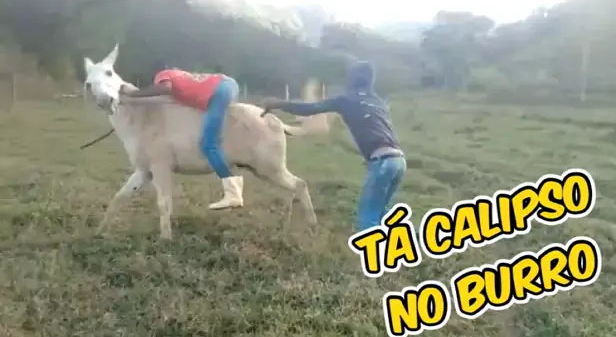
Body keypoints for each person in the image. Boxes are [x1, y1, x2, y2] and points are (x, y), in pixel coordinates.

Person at [262, 61, 406, 232]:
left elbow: (310, 109)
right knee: (381, 211)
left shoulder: (346, 100)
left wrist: (279, 104)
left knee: (368, 219)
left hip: (382, 163)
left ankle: (377, 247)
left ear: (353, 79)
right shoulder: (379, 102)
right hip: (398, 161)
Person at [120, 64, 244, 210]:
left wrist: (133, 94)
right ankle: (235, 184)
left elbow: (165, 88)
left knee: (208, 144)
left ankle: (233, 193)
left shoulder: (164, 75)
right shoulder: (178, 76)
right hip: (226, 85)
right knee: (215, 136)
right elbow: (161, 99)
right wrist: (130, 100)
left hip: (220, 90)